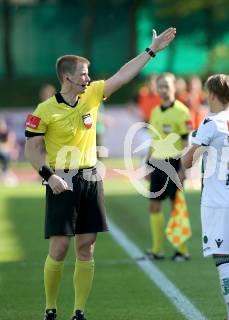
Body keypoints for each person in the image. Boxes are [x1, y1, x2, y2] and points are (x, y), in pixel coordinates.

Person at [24, 27, 176, 320]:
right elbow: (32, 149)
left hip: (91, 178)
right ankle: (50, 309)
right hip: (61, 179)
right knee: (58, 248)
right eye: (83, 73)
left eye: (88, 73)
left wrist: (151, 51)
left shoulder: (93, 94)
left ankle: (79, 312)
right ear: (67, 76)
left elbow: (123, 75)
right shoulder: (44, 110)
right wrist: (49, 176)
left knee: (87, 246)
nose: (88, 78)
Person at [183, 74, 229, 320]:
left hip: (217, 199)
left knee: (223, 260)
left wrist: (194, 143)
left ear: (212, 94)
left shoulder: (211, 122)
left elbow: (188, 161)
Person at [144, 72, 192, 262]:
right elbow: (153, 141)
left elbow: (187, 143)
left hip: (174, 163)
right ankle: (157, 249)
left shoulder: (182, 111)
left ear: (175, 87)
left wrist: (183, 168)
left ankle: (182, 250)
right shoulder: (155, 112)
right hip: (157, 163)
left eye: (167, 85)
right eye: (160, 85)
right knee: (154, 206)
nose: (163, 89)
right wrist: (148, 165)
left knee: (176, 207)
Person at [0, 117, 18, 185]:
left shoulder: (9, 132)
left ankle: (6, 173)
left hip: (7, 152)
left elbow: (11, 144)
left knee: (6, 154)